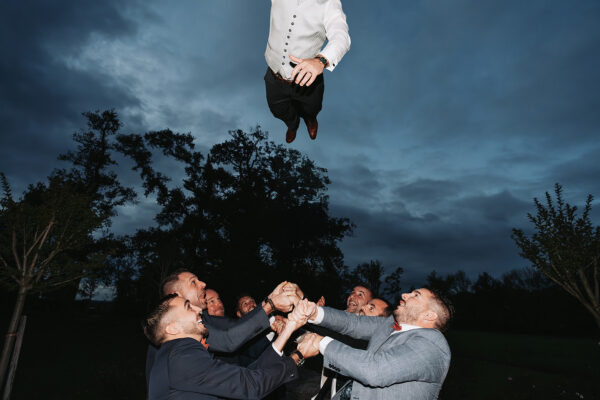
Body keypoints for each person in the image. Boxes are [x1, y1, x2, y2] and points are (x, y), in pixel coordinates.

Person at [143, 294, 313, 400]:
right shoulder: (181, 352)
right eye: (188, 307)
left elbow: (245, 379)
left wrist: (289, 328)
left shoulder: (173, 358)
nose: (198, 309)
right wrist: (298, 355)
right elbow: (251, 386)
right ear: (172, 328)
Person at [146, 269, 300, 385]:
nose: (203, 284)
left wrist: (271, 300)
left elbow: (235, 326)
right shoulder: (177, 329)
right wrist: (271, 305)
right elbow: (228, 340)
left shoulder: (204, 318)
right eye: (193, 282)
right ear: (176, 294)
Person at [299, 288, 454, 400]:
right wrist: (314, 312)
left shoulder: (432, 346)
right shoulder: (390, 324)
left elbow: (375, 370)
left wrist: (321, 342)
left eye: (416, 295)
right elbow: (354, 323)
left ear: (429, 315)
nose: (404, 295)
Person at [264, 0, 351, 143]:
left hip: (308, 79)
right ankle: (293, 125)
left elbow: (341, 36)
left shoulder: (329, 3)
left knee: (312, 108)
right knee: (277, 109)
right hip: (274, 75)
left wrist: (321, 60)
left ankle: (310, 120)